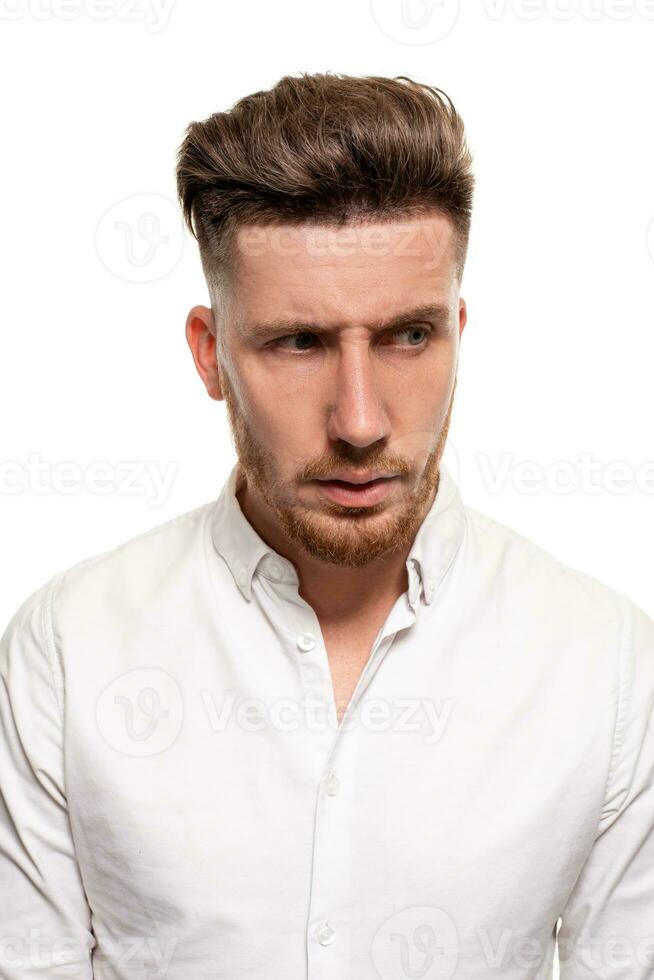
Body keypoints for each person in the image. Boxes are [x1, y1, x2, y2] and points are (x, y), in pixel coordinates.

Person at [1, 71, 653, 980]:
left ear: (459, 332)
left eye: (409, 337)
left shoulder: (609, 664)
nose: (359, 422)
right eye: (299, 342)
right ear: (210, 352)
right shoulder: (66, 650)